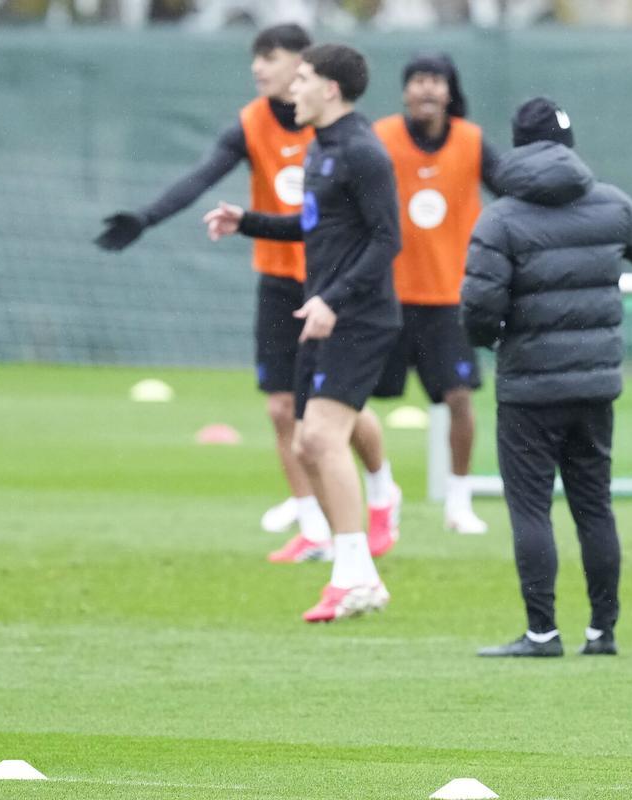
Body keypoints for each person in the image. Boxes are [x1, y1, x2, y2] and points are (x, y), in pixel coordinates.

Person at [93, 24, 401, 561]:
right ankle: (315, 528)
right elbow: (202, 177)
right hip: (284, 281)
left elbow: (383, 234)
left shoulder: (347, 138)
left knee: (335, 414)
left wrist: (335, 295)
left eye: (271, 57)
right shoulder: (258, 122)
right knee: (284, 412)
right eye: (255, 57)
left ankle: (380, 491)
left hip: (338, 288)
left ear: (308, 70)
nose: (258, 67)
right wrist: (147, 217)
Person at [461, 97, 632, 658]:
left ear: (518, 144)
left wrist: (494, 340)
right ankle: (601, 633)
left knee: (530, 509)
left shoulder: (500, 218)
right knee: (594, 506)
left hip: (528, 389)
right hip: (594, 389)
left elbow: (478, 308)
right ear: (568, 144)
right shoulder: (611, 205)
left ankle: (542, 633)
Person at [204, 43, 402, 622]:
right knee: (303, 442)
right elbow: (317, 226)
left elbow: (387, 239)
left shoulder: (364, 151)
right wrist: (248, 222)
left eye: (304, 78)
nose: (292, 87)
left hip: (359, 316)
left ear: (331, 89)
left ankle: (355, 575)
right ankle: (358, 572)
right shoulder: (321, 146)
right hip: (324, 311)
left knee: (320, 437)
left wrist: (334, 299)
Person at [371, 53, 502, 535]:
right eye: (418, 80)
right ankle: (379, 489)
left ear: (449, 91)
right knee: (349, 399)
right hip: (386, 297)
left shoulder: (471, 141)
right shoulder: (381, 138)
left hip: (450, 299)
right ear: (405, 91)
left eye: (436, 81)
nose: (426, 89)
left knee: (460, 399)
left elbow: (512, 190)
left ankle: (459, 502)